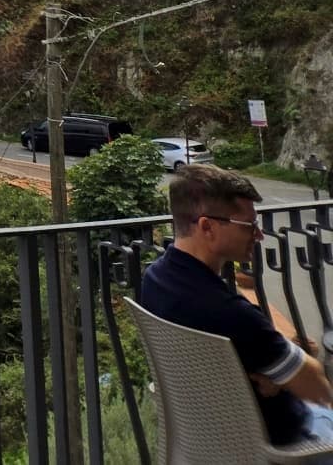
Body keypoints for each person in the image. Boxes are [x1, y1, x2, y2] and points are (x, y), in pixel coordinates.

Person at [140, 165, 333, 450]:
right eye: (249, 226)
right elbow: (318, 388)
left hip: (210, 444)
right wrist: (285, 378)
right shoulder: (232, 314)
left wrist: (254, 380)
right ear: (207, 227)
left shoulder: (155, 280)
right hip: (289, 444)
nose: (259, 236)